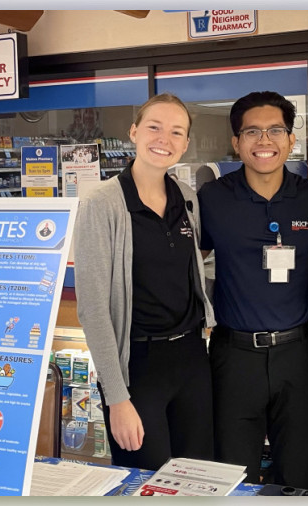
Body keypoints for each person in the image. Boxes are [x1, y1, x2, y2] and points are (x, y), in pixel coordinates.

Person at [198, 91, 308, 490]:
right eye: (252, 131)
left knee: (301, 473)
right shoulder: (213, 199)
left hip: (299, 355)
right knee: (232, 475)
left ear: (291, 140)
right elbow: (184, 260)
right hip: (233, 356)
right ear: (236, 142)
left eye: (276, 130)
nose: (265, 140)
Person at [73, 93, 216, 471]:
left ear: (185, 143)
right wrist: (117, 398)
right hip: (137, 367)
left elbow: (196, 267)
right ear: (134, 132)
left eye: (176, 132)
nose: (163, 139)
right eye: (154, 127)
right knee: (146, 483)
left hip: (190, 360)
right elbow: (93, 309)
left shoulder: (186, 198)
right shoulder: (102, 204)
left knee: (197, 479)